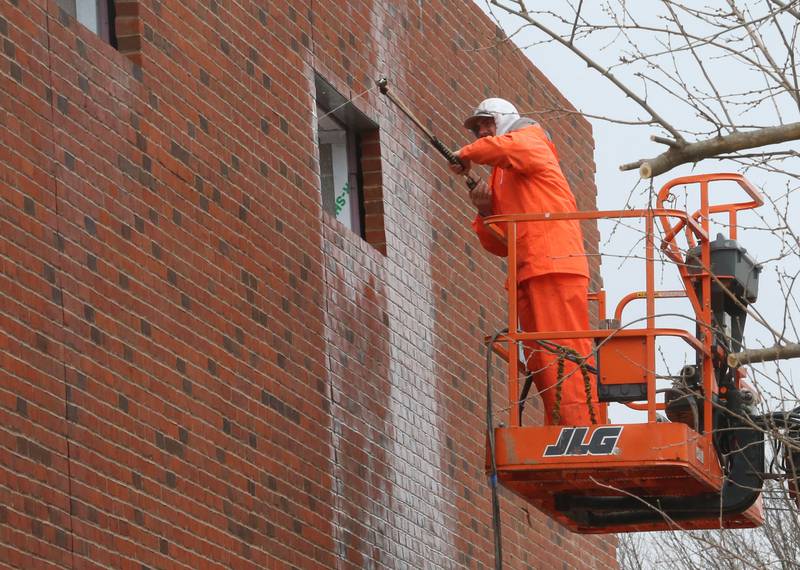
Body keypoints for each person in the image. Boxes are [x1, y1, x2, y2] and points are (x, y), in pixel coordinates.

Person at [450, 98, 605, 426]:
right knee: (543, 359)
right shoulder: (500, 176)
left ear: (505, 121)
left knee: (564, 349)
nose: (481, 131)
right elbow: (498, 242)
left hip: (554, 260)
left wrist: (465, 154)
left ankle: (584, 429)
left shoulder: (530, 137)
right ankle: (564, 426)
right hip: (529, 269)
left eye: (485, 123)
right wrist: (485, 211)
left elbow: (506, 147)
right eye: (477, 128)